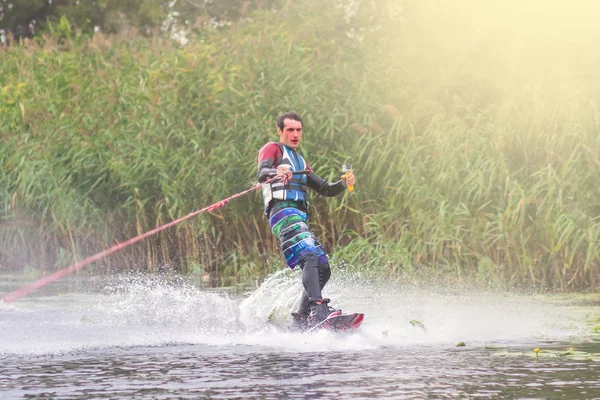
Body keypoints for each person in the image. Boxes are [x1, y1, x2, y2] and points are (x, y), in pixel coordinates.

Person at [256, 111, 355, 329]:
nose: (295, 134)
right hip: (282, 212)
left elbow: (325, 189)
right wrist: (277, 171)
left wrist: (343, 183)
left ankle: (302, 319)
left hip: (298, 216)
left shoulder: (300, 161)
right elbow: (263, 172)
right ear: (280, 131)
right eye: (290, 129)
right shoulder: (273, 149)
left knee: (322, 267)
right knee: (309, 255)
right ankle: (318, 310)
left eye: (298, 130)